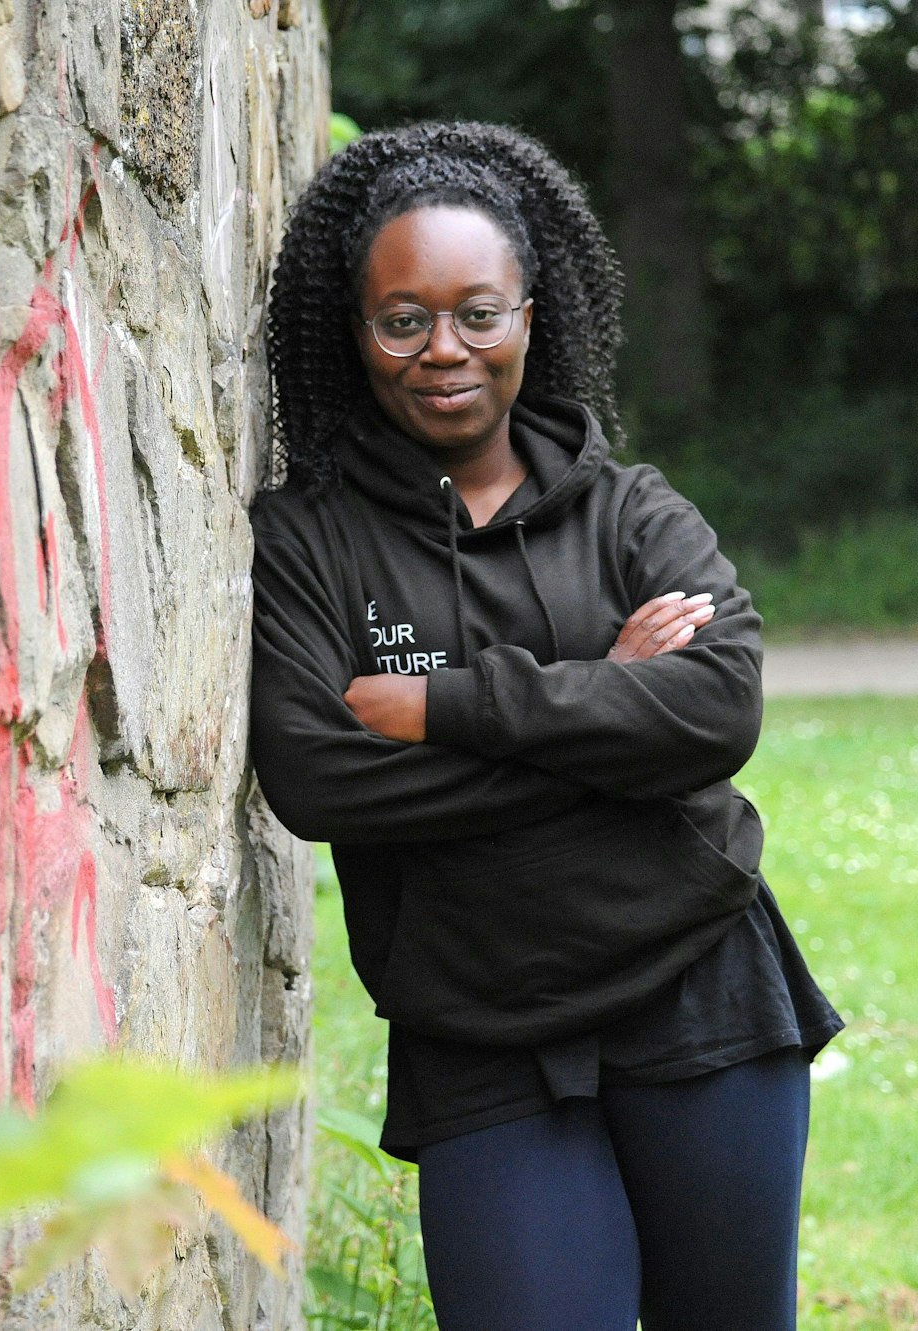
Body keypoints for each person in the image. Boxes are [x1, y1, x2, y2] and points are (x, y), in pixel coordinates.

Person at [248, 122, 845, 1330]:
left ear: (531, 313)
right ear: (351, 331)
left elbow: (716, 707)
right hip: (478, 1030)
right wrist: (604, 727)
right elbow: (315, 776)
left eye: (478, 312)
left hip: (698, 999)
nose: (442, 351)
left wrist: (449, 706)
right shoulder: (309, 539)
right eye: (400, 318)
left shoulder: (630, 514)